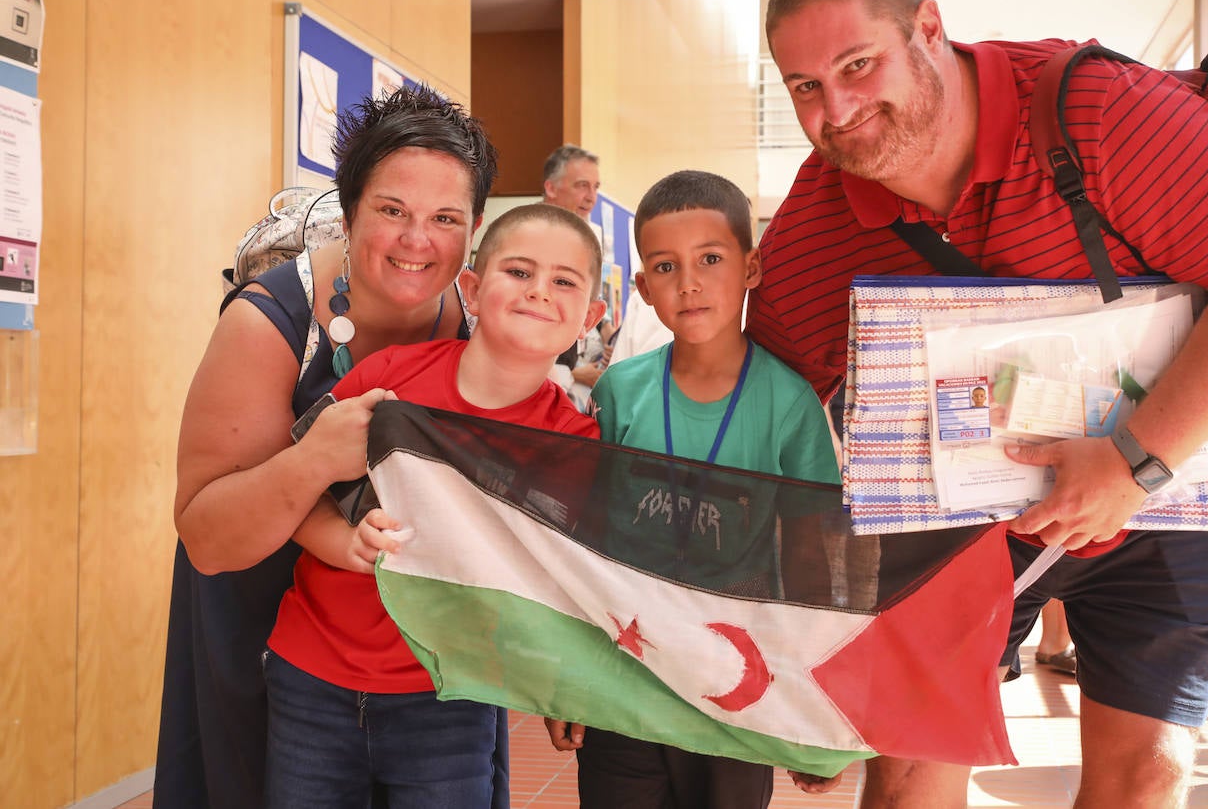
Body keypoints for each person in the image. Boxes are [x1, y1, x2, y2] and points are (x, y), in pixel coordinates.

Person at [750, 0, 1208, 807]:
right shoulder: (817, 220)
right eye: (805, 87)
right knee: (908, 780)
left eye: (858, 65)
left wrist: (1135, 461)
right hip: (950, 540)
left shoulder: (1098, 113)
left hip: (1158, 502)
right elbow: (769, 411)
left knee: (1144, 779)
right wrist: (799, 653)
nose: (836, 110)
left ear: (928, 28)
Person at [154, 84, 495, 809]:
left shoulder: (484, 327)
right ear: (349, 210)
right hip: (274, 646)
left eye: (445, 218)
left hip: (425, 663)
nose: (416, 241)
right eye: (391, 211)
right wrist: (313, 459)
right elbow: (207, 537)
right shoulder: (268, 324)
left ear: (475, 229)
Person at [263, 202, 607, 806]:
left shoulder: (574, 444)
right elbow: (292, 491)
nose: (537, 293)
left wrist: (563, 681)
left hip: (454, 695)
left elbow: (563, 581)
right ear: (470, 289)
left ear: (591, 317)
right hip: (313, 676)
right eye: (519, 272)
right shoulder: (386, 378)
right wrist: (343, 544)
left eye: (563, 282)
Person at [543, 170, 843, 807]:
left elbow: (816, 563)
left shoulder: (789, 403)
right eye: (665, 266)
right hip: (624, 674)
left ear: (751, 267)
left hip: (735, 687)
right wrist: (569, 677)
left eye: (711, 258)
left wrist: (817, 718)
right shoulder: (620, 391)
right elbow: (582, 540)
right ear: (645, 287)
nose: (690, 282)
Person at [542, 144, 608, 398]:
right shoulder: (525, 238)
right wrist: (571, 374)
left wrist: (605, 328)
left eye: (596, 187)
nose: (591, 197)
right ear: (551, 188)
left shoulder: (585, 241)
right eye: (582, 185)